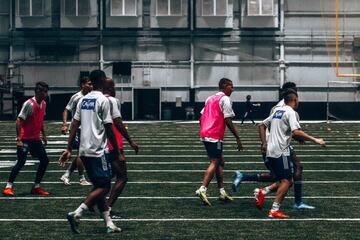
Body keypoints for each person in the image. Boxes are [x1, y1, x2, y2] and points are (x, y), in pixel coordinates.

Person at [233, 82, 316, 210]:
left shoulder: (278, 107)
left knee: (283, 176)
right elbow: (282, 130)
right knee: (287, 178)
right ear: (293, 95)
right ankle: (287, 203)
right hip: (277, 146)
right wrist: (309, 139)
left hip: (272, 145)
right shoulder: (287, 109)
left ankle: (250, 181)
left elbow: (268, 126)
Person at [59, 70, 121, 234]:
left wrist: (68, 147)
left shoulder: (83, 100)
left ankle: (109, 223)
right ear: (101, 80)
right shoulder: (103, 100)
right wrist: (117, 151)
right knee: (105, 186)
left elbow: (74, 125)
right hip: (97, 150)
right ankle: (77, 213)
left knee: (98, 186)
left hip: (84, 150)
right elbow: (109, 127)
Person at [258, 89, 326, 218]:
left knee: (283, 179)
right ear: (295, 99)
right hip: (281, 151)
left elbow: (261, 125)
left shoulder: (278, 110)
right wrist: (316, 140)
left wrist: (264, 143)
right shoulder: (290, 112)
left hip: (270, 151)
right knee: (287, 181)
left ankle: (263, 192)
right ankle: (274, 210)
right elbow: (296, 132)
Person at [195, 78, 243, 206]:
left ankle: (222, 192)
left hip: (206, 133)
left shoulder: (210, 98)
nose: (232, 89)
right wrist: (237, 137)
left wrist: (205, 129)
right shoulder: (225, 99)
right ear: (224, 86)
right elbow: (228, 120)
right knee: (215, 161)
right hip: (214, 134)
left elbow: (201, 117)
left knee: (220, 161)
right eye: (231, 86)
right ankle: (202, 189)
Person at [2, 82, 50, 196]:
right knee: (21, 161)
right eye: (44, 91)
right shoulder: (29, 104)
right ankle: (8, 187)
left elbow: (40, 120)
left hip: (35, 139)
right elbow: (19, 120)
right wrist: (18, 139)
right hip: (25, 139)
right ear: (38, 92)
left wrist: (43, 134)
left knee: (45, 160)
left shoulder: (43, 103)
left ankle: (36, 186)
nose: (46, 94)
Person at [103, 78, 139, 218]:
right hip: (113, 145)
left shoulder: (92, 100)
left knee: (106, 178)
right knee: (122, 177)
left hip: (100, 145)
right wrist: (130, 141)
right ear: (111, 88)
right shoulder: (112, 101)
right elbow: (117, 123)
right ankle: (107, 208)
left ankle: (94, 203)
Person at [60, 76, 92, 186]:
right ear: (83, 85)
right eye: (89, 83)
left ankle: (67, 174)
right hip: (77, 129)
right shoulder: (76, 97)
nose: (91, 86)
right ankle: (82, 179)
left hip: (86, 129)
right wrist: (64, 124)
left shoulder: (91, 97)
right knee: (81, 154)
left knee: (82, 154)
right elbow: (66, 110)